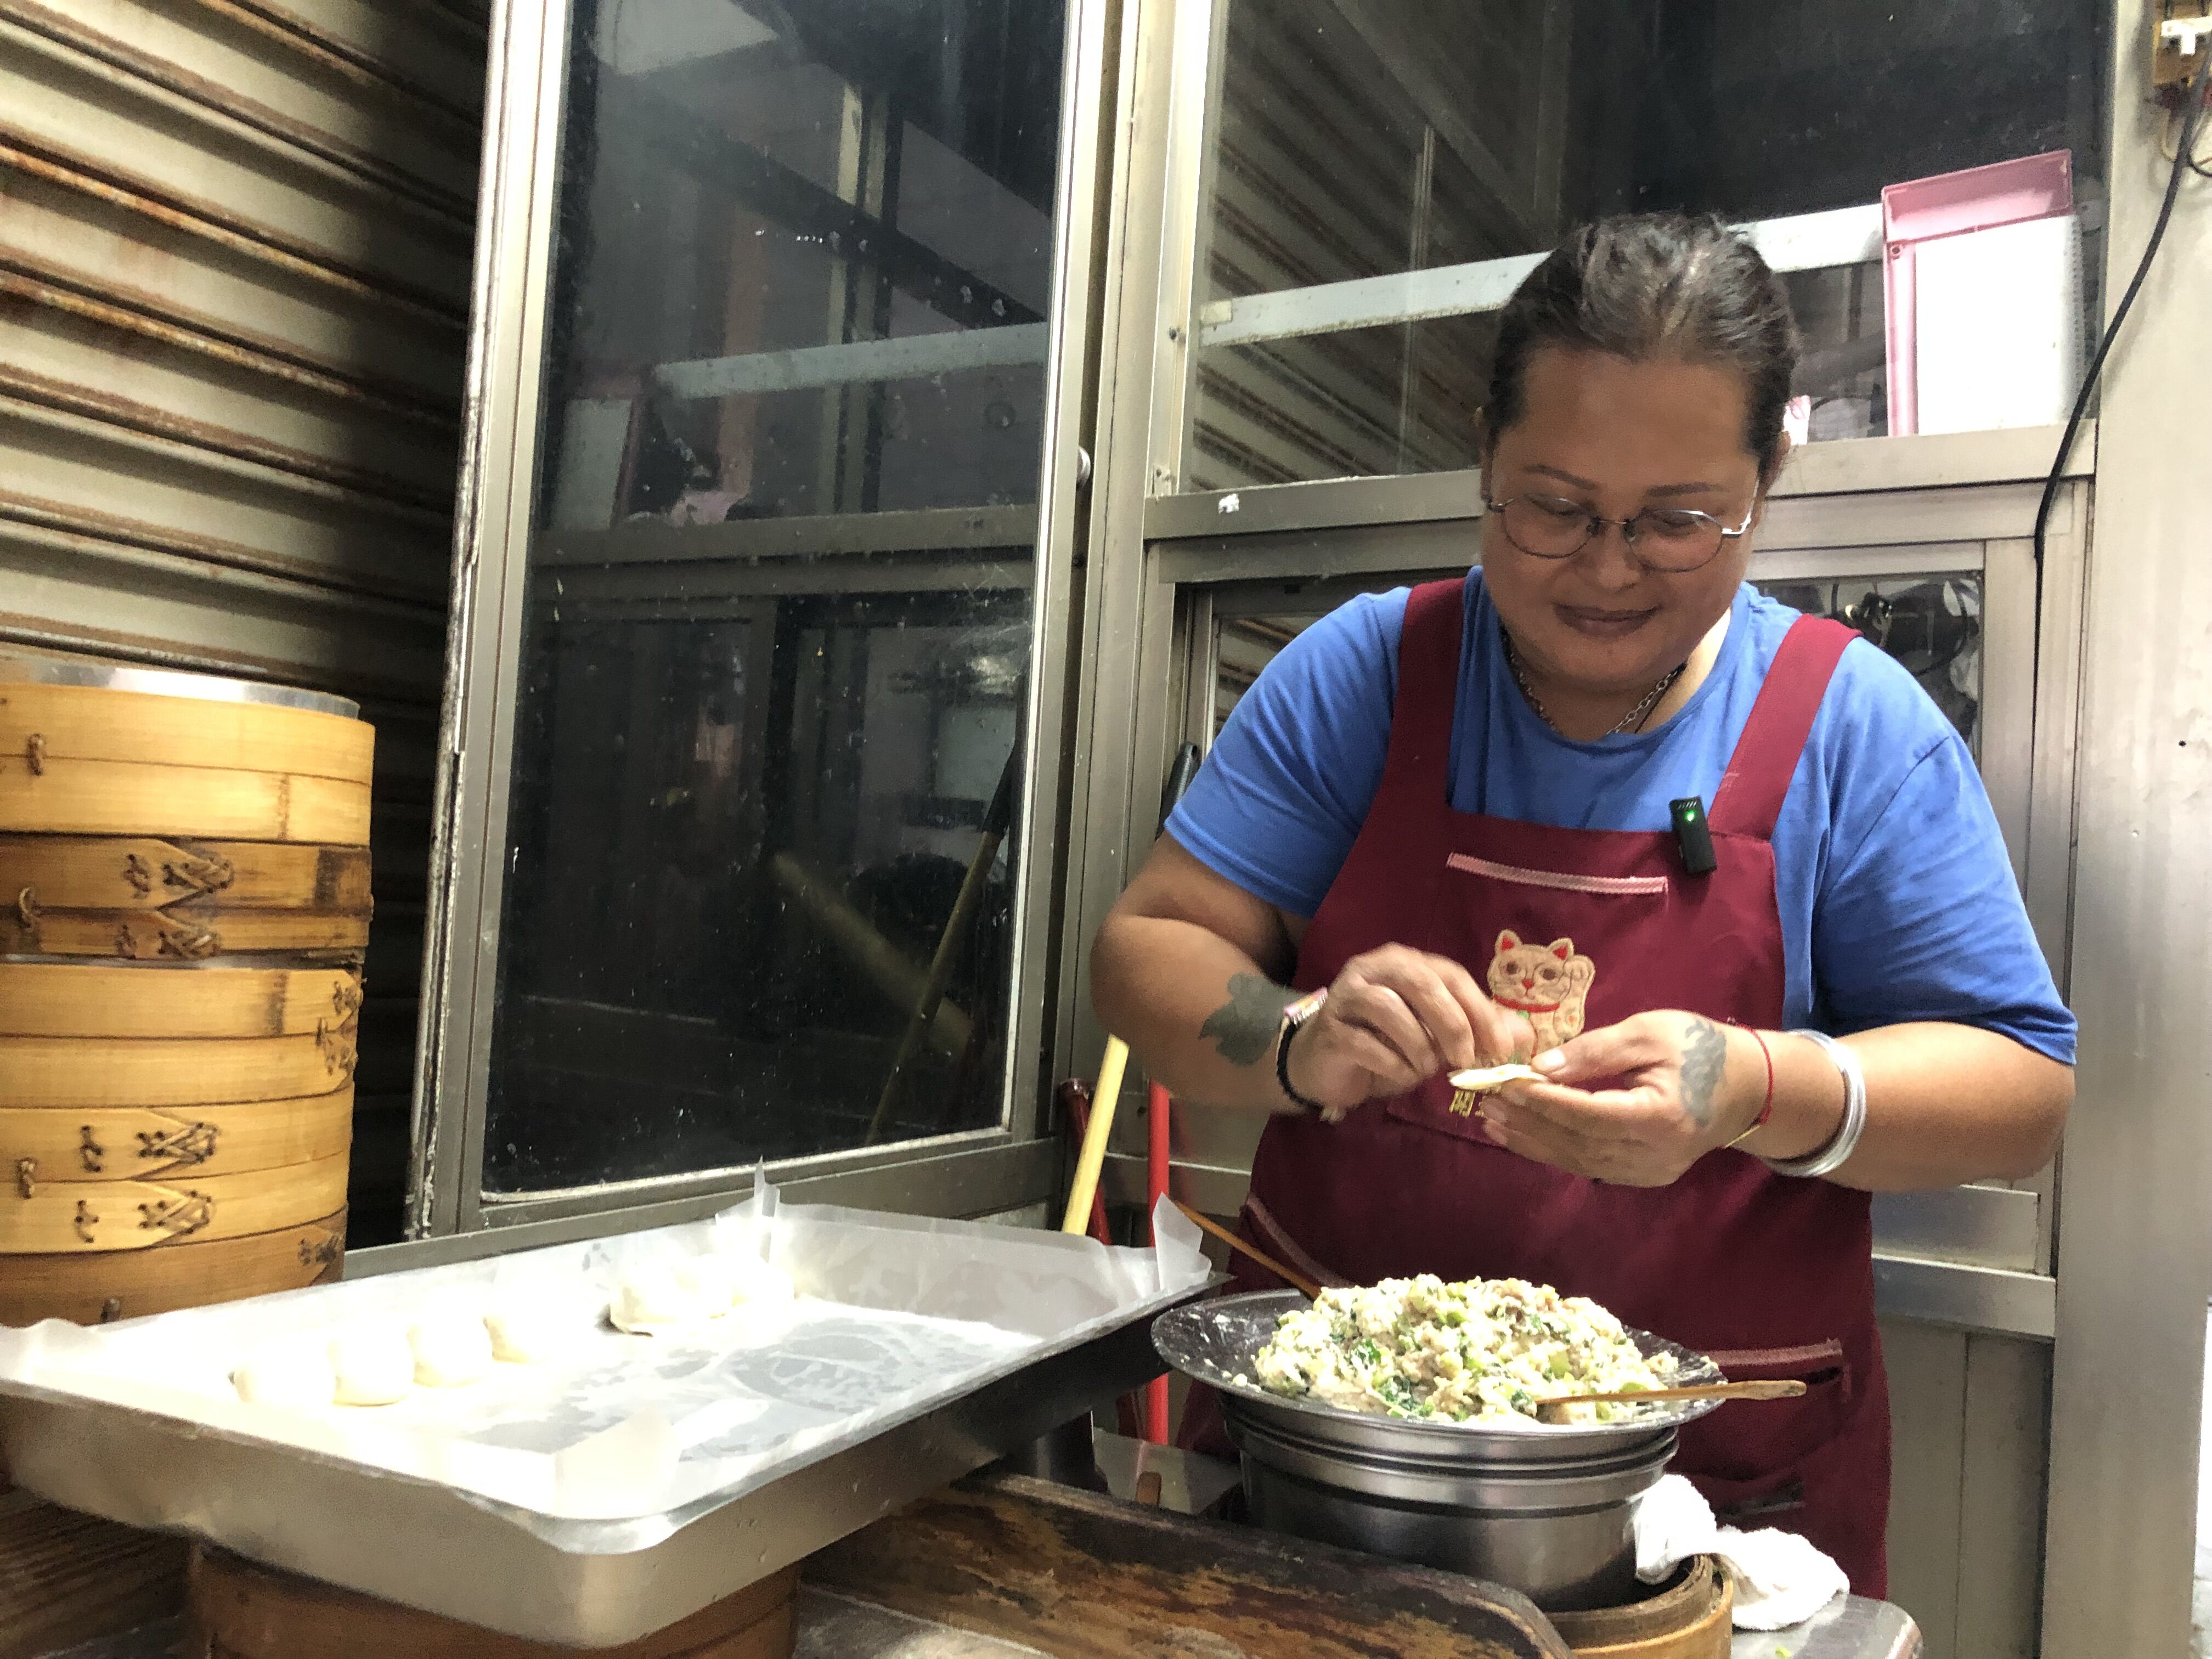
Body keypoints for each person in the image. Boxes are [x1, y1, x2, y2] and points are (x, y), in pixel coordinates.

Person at [1088, 213, 2075, 1596]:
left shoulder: (1852, 727)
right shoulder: (1368, 675)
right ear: (1483, 451)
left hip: (1711, 1502)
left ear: (1767, 479)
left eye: (1677, 522)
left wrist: (1751, 1087)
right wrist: (1300, 1033)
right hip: (1332, 1465)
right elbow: (1146, 952)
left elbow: (2021, 1084)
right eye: (1552, 507)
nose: (1609, 570)